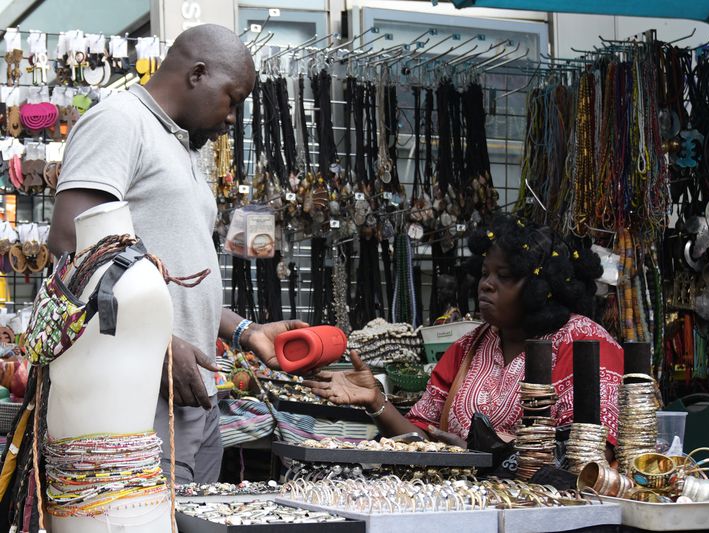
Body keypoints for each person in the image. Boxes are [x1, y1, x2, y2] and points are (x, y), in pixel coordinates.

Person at [48, 24, 306, 485]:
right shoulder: (120, 121)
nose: (233, 119)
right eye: (233, 98)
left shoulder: (180, 145)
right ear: (198, 74)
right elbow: (71, 242)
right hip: (138, 392)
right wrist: (153, 344)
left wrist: (245, 331)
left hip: (191, 397)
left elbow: (180, 277)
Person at [307, 214, 623, 451]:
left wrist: (480, 452)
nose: (486, 284)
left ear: (544, 286)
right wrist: (376, 401)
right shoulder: (470, 345)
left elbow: (590, 452)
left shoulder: (582, 342)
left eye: (504, 276)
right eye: (485, 273)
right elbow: (421, 438)